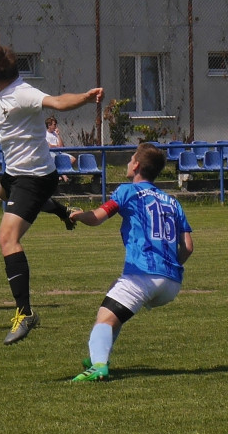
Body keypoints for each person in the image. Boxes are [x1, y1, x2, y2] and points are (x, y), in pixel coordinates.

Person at [0, 43, 103, 345]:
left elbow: (58, 102)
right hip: (14, 173)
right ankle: (61, 212)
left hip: (35, 177)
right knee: (4, 194)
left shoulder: (23, 93)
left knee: (8, 237)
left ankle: (25, 312)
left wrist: (85, 97)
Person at [69, 143, 194, 382]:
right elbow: (188, 247)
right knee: (115, 309)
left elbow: (97, 217)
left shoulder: (128, 191)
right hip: (172, 282)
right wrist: (168, 268)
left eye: (130, 159)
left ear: (136, 165)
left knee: (104, 318)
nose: (128, 163)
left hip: (143, 274)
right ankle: (99, 355)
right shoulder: (171, 201)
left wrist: (77, 215)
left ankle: (98, 366)